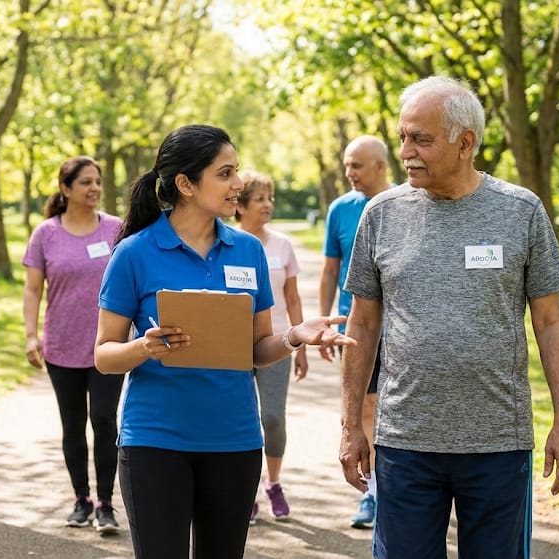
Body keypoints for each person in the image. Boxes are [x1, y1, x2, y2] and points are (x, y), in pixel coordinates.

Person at [338, 76, 559, 559]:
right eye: (403, 137)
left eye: (421, 139)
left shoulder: (520, 211)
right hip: (405, 440)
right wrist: (350, 426)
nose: (406, 152)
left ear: (465, 143)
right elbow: (361, 324)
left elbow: (551, 322)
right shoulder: (381, 214)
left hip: (498, 441)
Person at [94, 124, 355, 559]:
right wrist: (144, 347)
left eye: (236, 171)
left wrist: (293, 336)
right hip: (155, 442)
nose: (238, 184)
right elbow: (104, 355)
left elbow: (256, 349)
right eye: (225, 173)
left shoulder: (248, 251)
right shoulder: (134, 253)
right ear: (186, 184)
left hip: (235, 442)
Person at [21, 156, 125, 534]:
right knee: (73, 424)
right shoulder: (46, 234)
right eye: (85, 182)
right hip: (62, 345)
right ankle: (81, 499)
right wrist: (31, 335)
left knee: (104, 419)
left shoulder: (115, 229)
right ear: (65, 188)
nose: (94, 188)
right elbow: (33, 289)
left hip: (108, 345)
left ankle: (106, 504)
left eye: (97, 181)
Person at [318, 134, 390, 528]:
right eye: (347, 165)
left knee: (396, 411)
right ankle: (372, 494)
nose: (349, 172)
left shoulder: (406, 202)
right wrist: (324, 320)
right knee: (364, 408)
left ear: (380, 166)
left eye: (356, 165)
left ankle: (407, 490)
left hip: (402, 326)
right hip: (355, 326)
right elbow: (330, 269)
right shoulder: (340, 210)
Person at [234, 170, 307, 524]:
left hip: (276, 343)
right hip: (233, 347)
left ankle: (273, 483)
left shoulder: (282, 245)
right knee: (242, 419)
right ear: (241, 205)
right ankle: (245, 490)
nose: (267, 205)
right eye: (259, 199)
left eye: (270, 198)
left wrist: (301, 345)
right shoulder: (228, 243)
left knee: (273, 417)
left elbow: (292, 297)